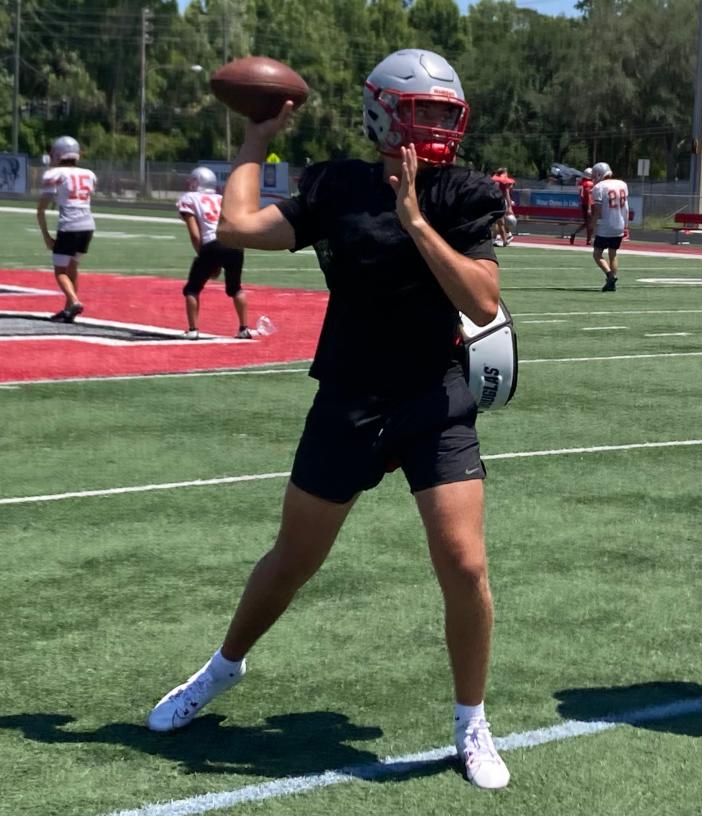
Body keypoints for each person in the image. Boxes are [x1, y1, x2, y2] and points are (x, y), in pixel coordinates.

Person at [146, 49, 511, 790]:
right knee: (293, 558)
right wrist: (256, 137)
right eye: (422, 112)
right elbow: (241, 226)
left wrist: (413, 217)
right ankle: (222, 668)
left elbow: (481, 300)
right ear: (382, 112)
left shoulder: (463, 193)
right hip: (348, 395)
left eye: (445, 114)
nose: (435, 128)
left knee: (465, 562)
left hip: (433, 397)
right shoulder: (338, 183)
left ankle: (472, 720)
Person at [176, 166, 251, 340]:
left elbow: (195, 234)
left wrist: (206, 257)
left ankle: (193, 329)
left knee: (192, 289)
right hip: (236, 243)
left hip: (213, 243)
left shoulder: (189, 198)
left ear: (197, 182)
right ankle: (244, 328)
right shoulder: (222, 198)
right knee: (235, 288)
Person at [36, 136, 96, 322]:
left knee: (60, 271)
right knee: (72, 268)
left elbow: (42, 209)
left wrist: (46, 235)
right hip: (88, 225)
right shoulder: (89, 174)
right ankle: (69, 309)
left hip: (69, 225)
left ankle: (74, 301)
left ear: (57, 154)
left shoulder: (54, 174)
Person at [589, 162, 628, 292]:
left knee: (597, 254)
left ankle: (610, 276)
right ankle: (612, 282)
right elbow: (626, 208)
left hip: (606, 225)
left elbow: (598, 210)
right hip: (619, 225)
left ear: (599, 174)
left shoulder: (599, 187)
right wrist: (626, 225)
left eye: (594, 175)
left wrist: (592, 225)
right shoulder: (622, 184)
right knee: (613, 254)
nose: (593, 178)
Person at [568, 167, 594, 246]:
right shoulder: (589, 184)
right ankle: (588, 240)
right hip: (589, 204)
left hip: (584, 204)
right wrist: (589, 208)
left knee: (587, 223)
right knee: (590, 223)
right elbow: (589, 196)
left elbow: (582, 195)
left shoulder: (582, 182)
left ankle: (575, 233)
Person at [490, 167, 515, 246]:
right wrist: (509, 207)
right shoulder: (504, 181)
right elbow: (507, 194)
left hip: (492, 201)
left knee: (498, 222)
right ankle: (504, 238)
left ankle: (501, 239)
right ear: (504, 173)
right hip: (499, 202)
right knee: (500, 222)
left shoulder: (492, 179)